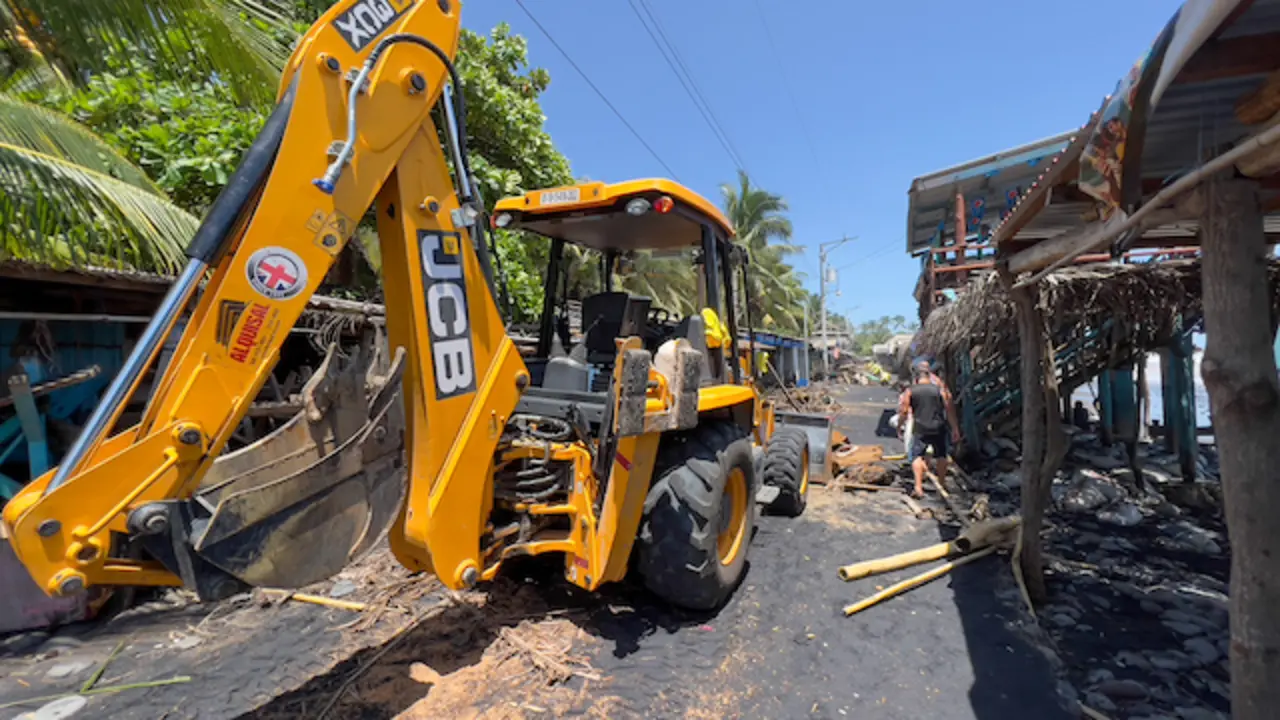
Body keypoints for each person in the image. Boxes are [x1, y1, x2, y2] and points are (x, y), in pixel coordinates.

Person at [898, 361, 961, 498]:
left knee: (916, 456)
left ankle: (918, 487)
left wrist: (899, 426)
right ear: (929, 374)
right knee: (941, 455)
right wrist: (955, 428)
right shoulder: (940, 390)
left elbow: (903, 411)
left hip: (920, 428)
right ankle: (942, 484)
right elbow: (950, 409)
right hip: (938, 426)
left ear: (916, 376)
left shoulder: (910, 391)